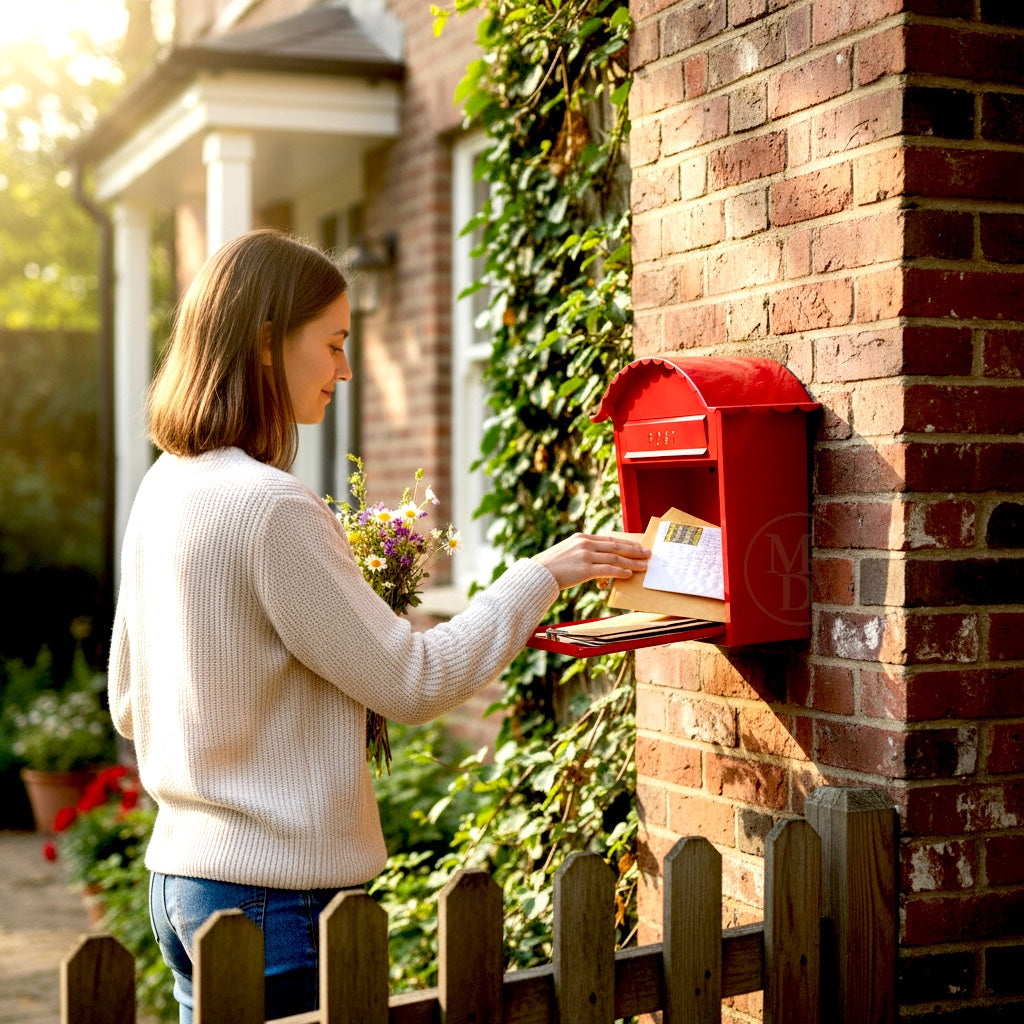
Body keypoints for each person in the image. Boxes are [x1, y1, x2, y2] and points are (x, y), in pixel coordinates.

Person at [107, 227, 650, 1022]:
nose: (346, 369)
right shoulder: (273, 509)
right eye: (331, 344)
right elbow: (414, 680)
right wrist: (543, 574)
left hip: (184, 888)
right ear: (265, 343)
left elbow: (128, 700)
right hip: (275, 902)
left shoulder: (165, 487)